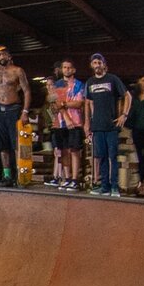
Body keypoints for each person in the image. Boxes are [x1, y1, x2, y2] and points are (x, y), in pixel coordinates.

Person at [84, 53, 131, 199]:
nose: (97, 65)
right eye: (94, 63)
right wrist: (87, 122)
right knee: (101, 157)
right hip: (97, 126)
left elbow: (128, 96)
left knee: (112, 156)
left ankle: (114, 186)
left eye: (99, 62)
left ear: (104, 64)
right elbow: (88, 102)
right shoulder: (90, 82)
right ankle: (104, 186)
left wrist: (124, 115)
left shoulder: (112, 79)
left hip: (111, 125)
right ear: (91, 65)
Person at [0, 45, 31, 187]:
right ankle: (7, 176)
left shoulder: (17, 71)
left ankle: (20, 175)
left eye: (3, 54)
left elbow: (27, 91)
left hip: (14, 109)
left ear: (9, 56)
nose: (1, 57)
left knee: (17, 144)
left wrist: (25, 111)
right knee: (2, 145)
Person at [48, 60, 86, 192]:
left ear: (73, 70)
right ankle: (67, 178)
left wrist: (64, 104)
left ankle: (75, 179)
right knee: (64, 150)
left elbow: (79, 103)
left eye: (69, 67)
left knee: (74, 150)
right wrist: (65, 112)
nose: (67, 70)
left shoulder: (79, 84)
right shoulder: (57, 85)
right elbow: (55, 103)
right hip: (61, 123)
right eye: (64, 67)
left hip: (75, 121)